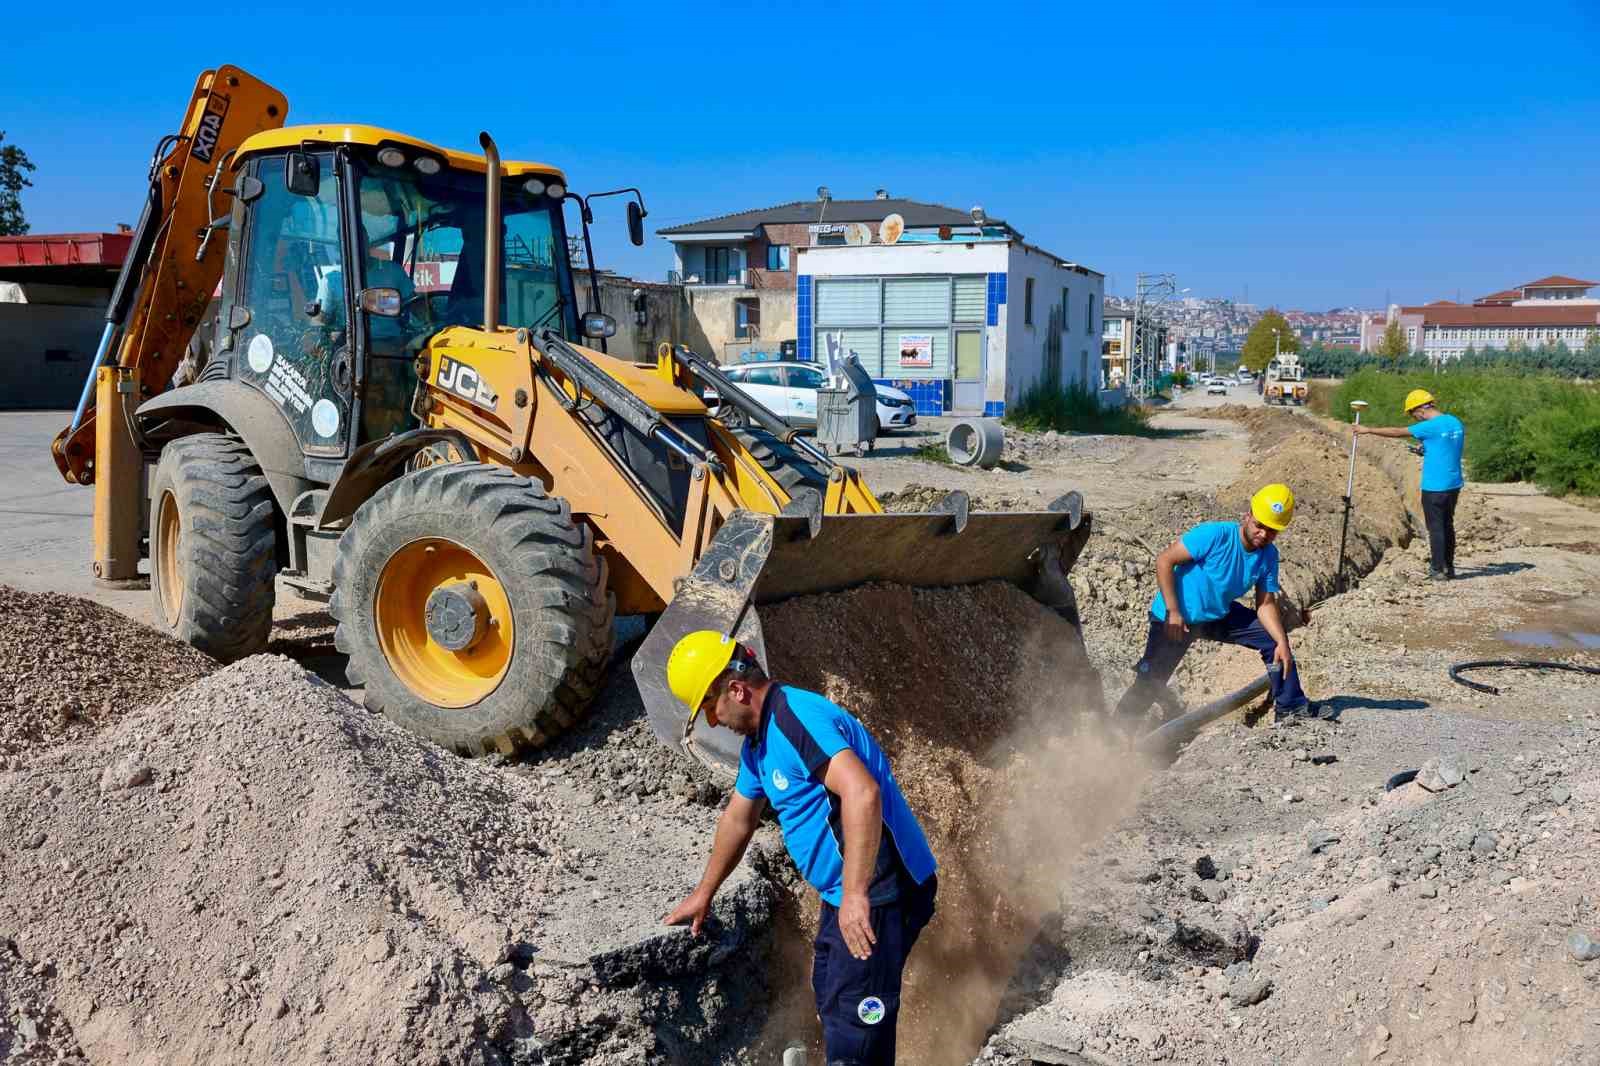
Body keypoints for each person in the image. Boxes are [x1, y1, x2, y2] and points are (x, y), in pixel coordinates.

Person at [662, 632, 938, 1066]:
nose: (714, 723)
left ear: (736, 689)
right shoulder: (760, 743)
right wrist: (704, 892)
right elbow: (739, 818)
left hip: (881, 891)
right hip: (844, 892)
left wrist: (856, 896)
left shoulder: (795, 718)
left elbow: (862, 793)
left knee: (855, 1026)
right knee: (832, 995)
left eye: (710, 709)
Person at [1113, 484, 1317, 728]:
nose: (1263, 534)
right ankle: (1115, 734)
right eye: (1260, 526)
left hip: (1217, 614)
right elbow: (1165, 561)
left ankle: (1290, 707)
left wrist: (1282, 642)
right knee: (1151, 681)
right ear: (1248, 515)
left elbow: (1265, 603)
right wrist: (1173, 611)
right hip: (1177, 616)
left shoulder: (1268, 556)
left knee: (1273, 643)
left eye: (1272, 531)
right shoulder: (1214, 535)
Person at [1354, 389, 1465, 580]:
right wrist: (1427, 449)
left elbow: (1398, 432)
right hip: (1453, 483)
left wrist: (1367, 430)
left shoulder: (1430, 426)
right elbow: (1445, 446)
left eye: (1413, 415)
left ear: (1420, 409)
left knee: (1436, 528)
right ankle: (1449, 567)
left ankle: (1438, 570)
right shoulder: (1455, 422)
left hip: (1435, 486)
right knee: (1448, 524)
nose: (1415, 419)